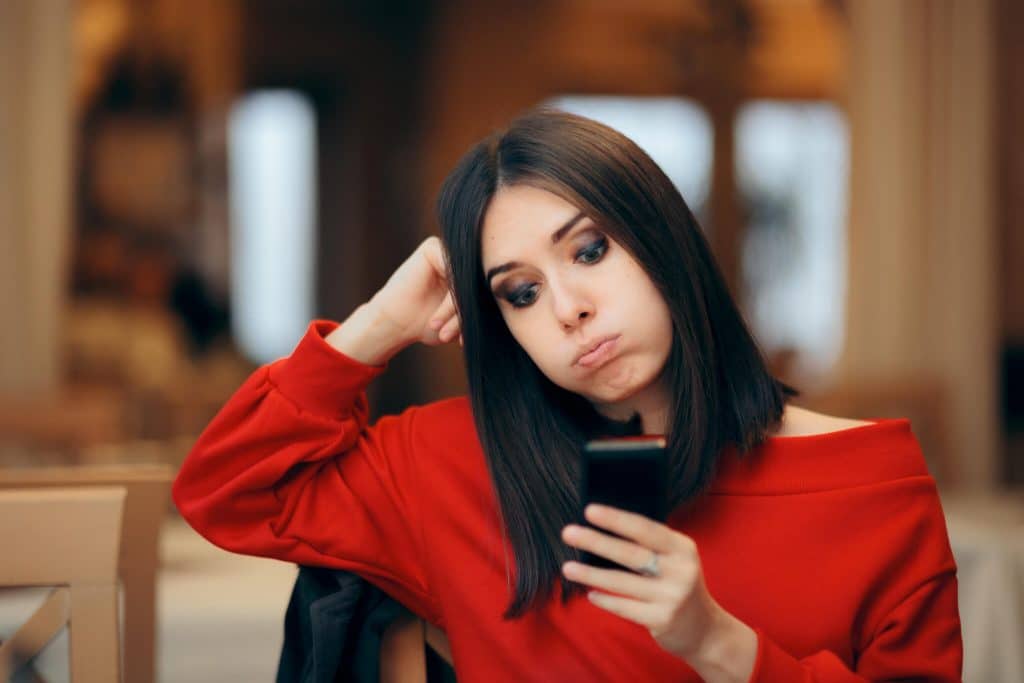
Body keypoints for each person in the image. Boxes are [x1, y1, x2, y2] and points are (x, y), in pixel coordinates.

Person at [173, 109, 962, 681]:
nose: (567, 308)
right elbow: (226, 491)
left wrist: (719, 642)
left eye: (590, 249)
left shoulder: (875, 488)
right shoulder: (452, 465)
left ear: (664, 238)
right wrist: (375, 325)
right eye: (518, 293)